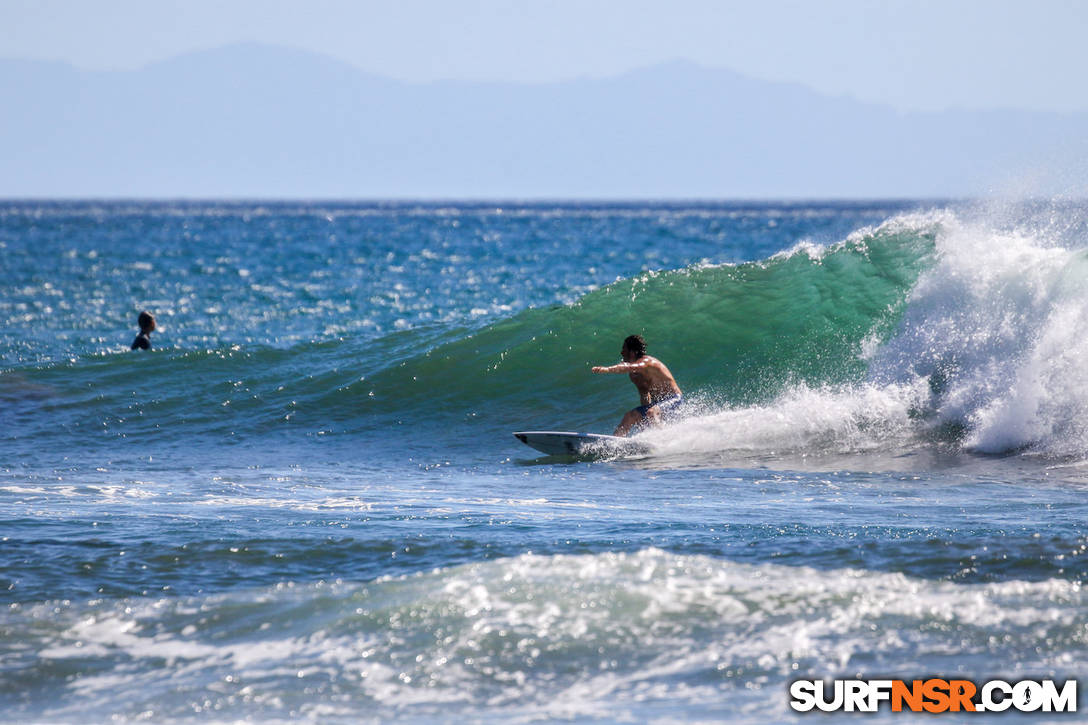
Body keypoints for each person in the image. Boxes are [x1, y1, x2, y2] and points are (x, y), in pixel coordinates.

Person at [591, 334, 683, 436]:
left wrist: (607, 369)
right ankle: (612, 444)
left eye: (624, 349)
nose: (621, 352)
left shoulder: (647, 362)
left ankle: (664, 439)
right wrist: (643, 424)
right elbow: (644, 396)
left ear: (632, 352)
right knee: (630, 416)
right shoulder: (635, 375)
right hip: (657, 405)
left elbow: (630, 367)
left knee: (651, 413)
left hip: (674, 399)